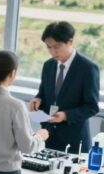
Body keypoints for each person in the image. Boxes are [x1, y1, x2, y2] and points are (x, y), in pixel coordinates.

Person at [29, 21, 101, 154]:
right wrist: (37, 99)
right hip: (48, 138)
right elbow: (43, 93)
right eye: (49, 47)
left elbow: (92, 107)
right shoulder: (48, 65)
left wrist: (66, 115)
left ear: (70, 42)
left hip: (74, 142)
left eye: (57, 47)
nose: (52, 52)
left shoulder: (88, 68)